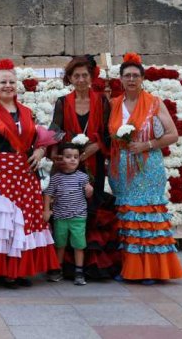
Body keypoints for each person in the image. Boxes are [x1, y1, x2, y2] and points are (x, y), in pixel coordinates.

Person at [0, 59, 59, 288]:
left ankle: (19, 269)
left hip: (25, 175)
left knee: (25, 221)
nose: (8, 85)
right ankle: (5, 271)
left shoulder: (28, 113)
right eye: (3, 82)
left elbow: (41, 141)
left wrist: (40, 152)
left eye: (11, 81)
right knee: (5, 222)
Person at [108, 52, 182, 284]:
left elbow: (173, 135)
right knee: (128, 217)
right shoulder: (113, 104)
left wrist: (146, 144)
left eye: (135, 75)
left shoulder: (154, 103)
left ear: (142, 78)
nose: (131, 79)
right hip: (121, 168)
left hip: (148, 166)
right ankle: (130, 268)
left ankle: (151, 269)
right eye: (127, 75)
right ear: (120, 79)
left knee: (147, 217)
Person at [50, 55, 119, 280]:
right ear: (69, 78)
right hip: (69, 165)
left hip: (94, 163)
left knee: (89, 209)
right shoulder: (62, 102)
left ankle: (88, 266)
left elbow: (109, 132)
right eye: (76, 75)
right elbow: (56, 129)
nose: (80, 79)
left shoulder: (101, 101)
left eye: (84, 75)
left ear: (91, 77)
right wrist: (52, 151)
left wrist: (96, 146)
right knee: (68, 209)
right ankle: (67, 266)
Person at [44, 143, 93, 286]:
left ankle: (79, 271)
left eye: (76, 157)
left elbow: (88, 193)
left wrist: (89, 190)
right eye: (68, 157)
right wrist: (46, 210)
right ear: (60, 158)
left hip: (78, 217)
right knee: (60, 244)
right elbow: (48, 194)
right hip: (60, 217)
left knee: (79, 245)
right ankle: (57, 269)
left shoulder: (82, 177)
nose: (72, 160)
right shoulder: (56, 178)